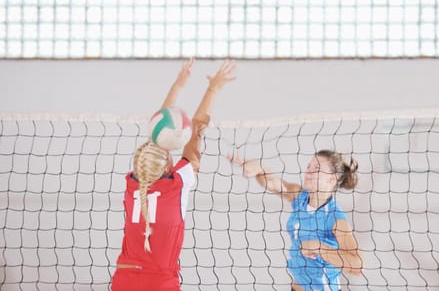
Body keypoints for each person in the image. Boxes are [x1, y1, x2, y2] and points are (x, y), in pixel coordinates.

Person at [111, 58, 236, 291]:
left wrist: (177, 86)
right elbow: (197, 129)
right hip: (160, 283)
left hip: (124, 280)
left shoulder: (132, 184)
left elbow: (157, 133)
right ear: (168, 166)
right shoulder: (178, 183)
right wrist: (213, 88)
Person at [229, 149, 363, 291]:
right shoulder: (300, 197)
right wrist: (258, 167)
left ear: (332, 178)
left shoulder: (336, 218)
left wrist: (319, 247)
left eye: (316, 168)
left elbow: (357, 265)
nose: (308, 172)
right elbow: (273, 183)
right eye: (308, 167)